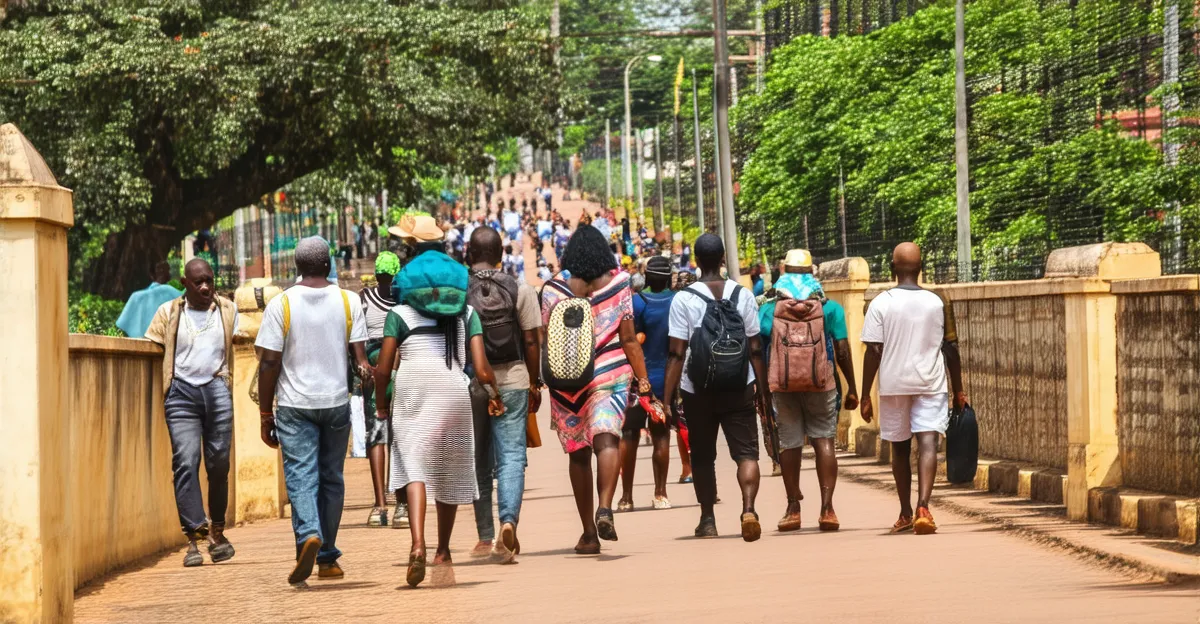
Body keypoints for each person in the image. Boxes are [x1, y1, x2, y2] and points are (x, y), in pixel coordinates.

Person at [372, 216, 503, 587]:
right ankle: (443, 550)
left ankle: (417, 544)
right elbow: (480, 368)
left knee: (414, 466)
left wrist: (382, 404)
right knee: (447, 470)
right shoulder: (466, 313)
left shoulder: (398, 314)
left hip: (412, 384)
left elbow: (383, 370)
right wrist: (494, 397)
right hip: (452, 388)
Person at [256, 236, 371, 585]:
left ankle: (308, 533)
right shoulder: (349, 302)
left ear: (297, 266)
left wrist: (265, 414)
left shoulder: (282, 304)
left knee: (301, 476)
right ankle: (327, 557)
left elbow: (269, 363)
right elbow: (362, 362)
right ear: (328, 264)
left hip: (294, 406)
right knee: (332, 478)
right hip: (336, 403)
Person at [540, 225, 653, 555]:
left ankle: (589, 534)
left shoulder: (552, 289)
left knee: (578, 454)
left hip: (567, 381)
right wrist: (643, 381)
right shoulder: (620, 284)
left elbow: (548, 338)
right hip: (610, 374)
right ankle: (605, 506)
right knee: (607, 440)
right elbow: (629, 338)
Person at [663, 233, 770, 542]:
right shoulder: (744, 295)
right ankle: (748, 509)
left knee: (703, 457)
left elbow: (676, 352)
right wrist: (762, 391)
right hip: (740, 386)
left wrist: (667, 398)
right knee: (746, 453)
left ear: (696, 261)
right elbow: (755, 348)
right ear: (723, 258)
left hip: (699, 391)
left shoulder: (684, 298)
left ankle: (707, 519)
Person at [860, 242, 967, 535]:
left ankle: (906, 512)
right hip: (931, 382)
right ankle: (924, 507)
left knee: (900, 448)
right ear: (921, 269)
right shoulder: (937, 302)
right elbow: (951, 349)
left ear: (892, 268)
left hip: (894, 384)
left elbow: (873, 352)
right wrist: (958, 389)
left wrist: (865, 393)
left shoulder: (881, 303)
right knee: (928, 442)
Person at [143, 258, 238, 567]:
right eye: (198, 282)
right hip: (181, 394)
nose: (205, 286)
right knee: (185, 460)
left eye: (209, 280)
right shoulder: (169, 313)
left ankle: (218, 533)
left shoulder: (227, 310)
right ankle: (194, 539)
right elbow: (150, 345)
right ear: (185, 284)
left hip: (217, 389)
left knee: (219, 463)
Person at [757, 249, 859, 533]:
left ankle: (793, 509)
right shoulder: (830, 309)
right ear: (813, 273)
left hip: (783, 385)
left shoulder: (768, 309)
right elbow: (842, 350)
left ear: (783, 271)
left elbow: (758, 347)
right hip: (821, 383)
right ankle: (827, 509)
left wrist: (761, 387)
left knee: (789, 443)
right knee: (824, 440)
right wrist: (852, 387)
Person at [466, 227, 543, 563]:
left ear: (469, 254)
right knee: (511, 457)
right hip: (513, 378)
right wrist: (535, 382)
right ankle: (507, 522)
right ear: (501, 255)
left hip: (473, 383)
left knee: (478, 457)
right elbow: (531, 340)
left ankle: (484, 536)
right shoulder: (520, 288)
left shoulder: (460, 292)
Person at [617, 256, 675, 512]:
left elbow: (629, 340)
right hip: (667, 378)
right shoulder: (677, 301)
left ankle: (626, 497)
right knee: (661, 434)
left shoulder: (637, 302)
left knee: (629, 435)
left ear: (647, 277)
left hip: (636, 379)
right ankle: (660, 494)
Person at [361, 252, 403, 528]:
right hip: (400, 368)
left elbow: (353, 336)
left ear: (376, 276)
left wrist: (361, 366)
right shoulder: (404, 300)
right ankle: (402, 505)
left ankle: (379, 506)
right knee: (400, 437)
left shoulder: (363, 298)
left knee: (376, 436)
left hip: (373, 371)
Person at [117, 261, 183, 338]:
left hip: (140, 344)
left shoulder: (136, 297)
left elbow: (123, 325)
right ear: (168, 274)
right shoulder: (175, 294)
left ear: (151, 275)